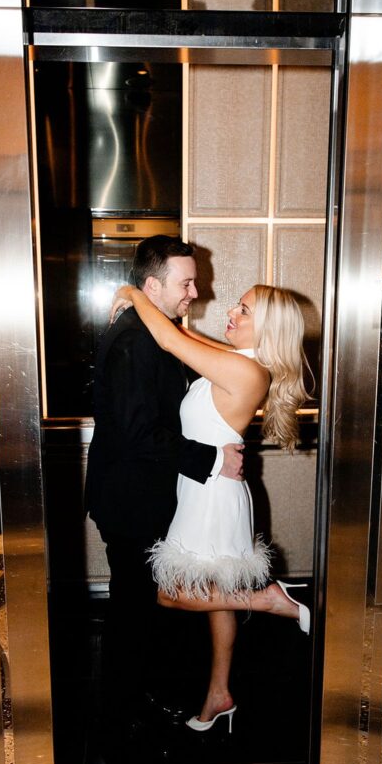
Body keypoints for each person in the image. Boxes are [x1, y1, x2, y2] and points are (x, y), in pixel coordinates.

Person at [109, 280, 310, 734]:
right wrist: (171, 316)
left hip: (212, 498)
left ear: (270, 329)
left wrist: (132, 292)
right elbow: (189, 338)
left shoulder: (247, 372)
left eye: (244, 310)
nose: (232, 314)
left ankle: (269, 600)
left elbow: (170, 340)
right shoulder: (238, 362)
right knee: (216, 596)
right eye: (237, 306)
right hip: (206, 487)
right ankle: (219, 694)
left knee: (169, 593)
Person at [85, 235, 245, 733]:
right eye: (186, 282)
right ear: (152, 285)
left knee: (137, 604)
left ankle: (130, 699)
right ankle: (121, 713)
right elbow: (140, 433)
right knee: (132, 608)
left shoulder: (148, 328)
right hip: (131, 500)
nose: (194, 293)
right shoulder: (136, 340)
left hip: (135, 494)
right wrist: (212, 460)